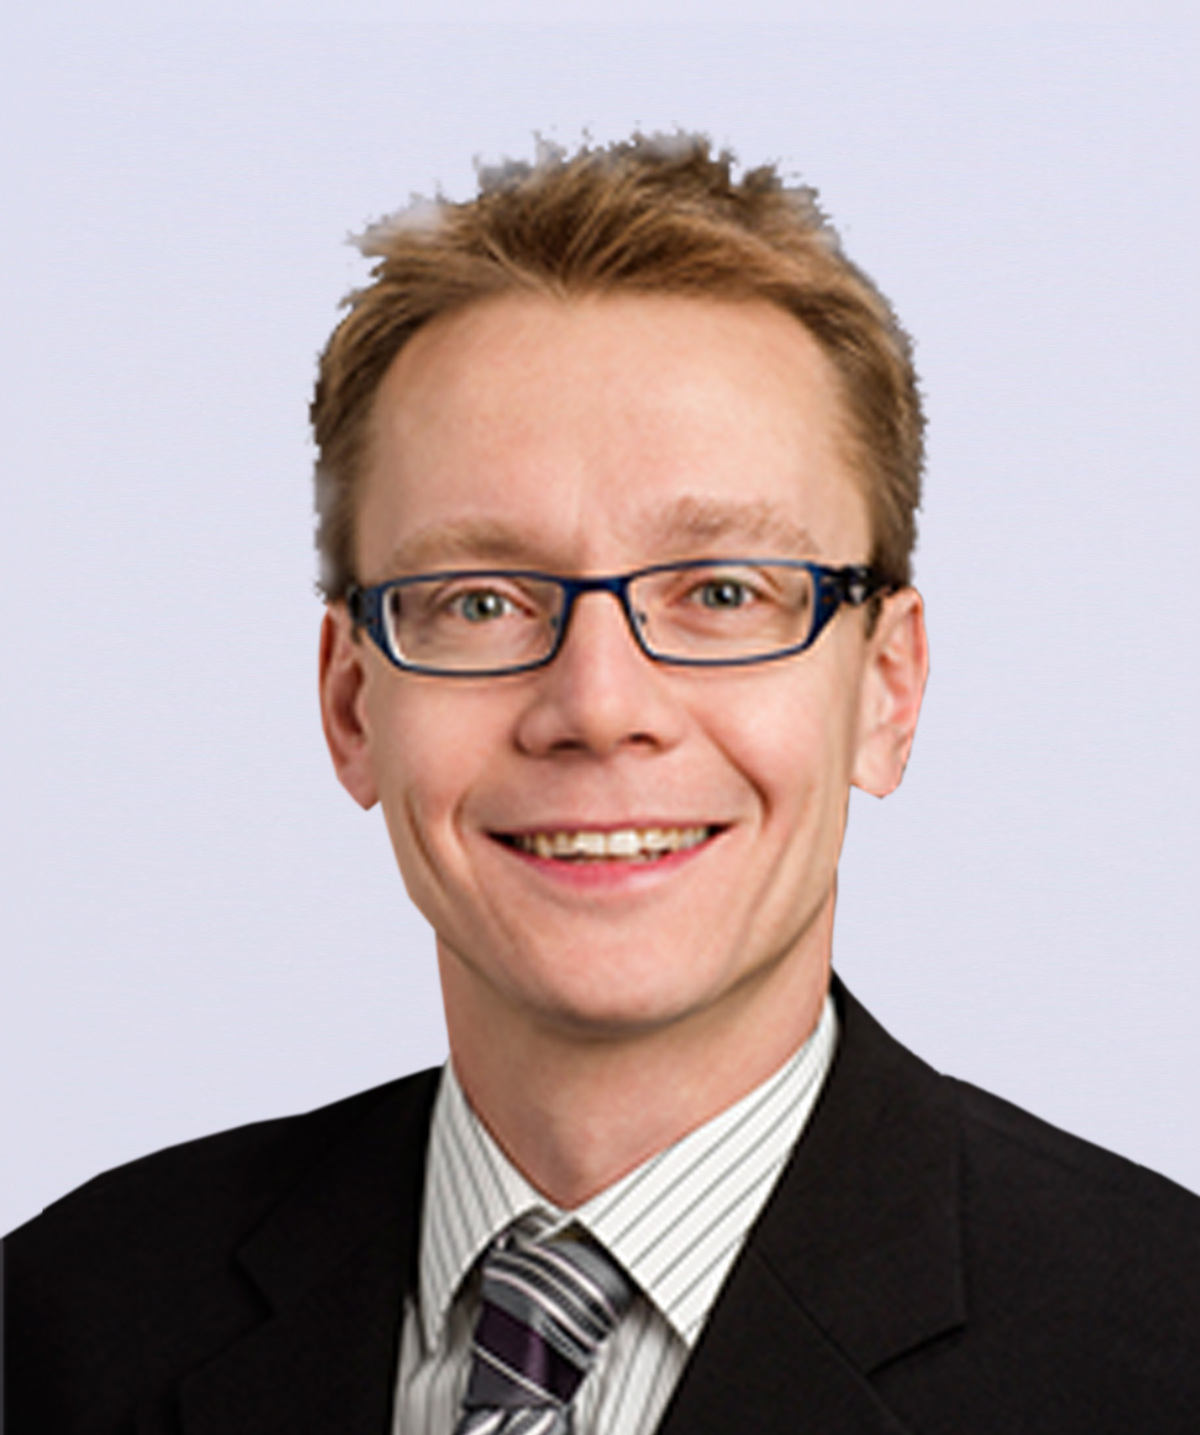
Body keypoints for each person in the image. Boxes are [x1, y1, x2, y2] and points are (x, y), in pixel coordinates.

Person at [6, 134, 1200, 1435]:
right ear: (352, 704)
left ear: (887, 689)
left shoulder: (1161, 1353)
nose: (597, 707)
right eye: (480, 600)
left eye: (724, 592)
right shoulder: (58, 1327)